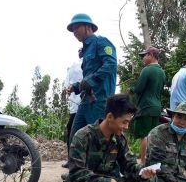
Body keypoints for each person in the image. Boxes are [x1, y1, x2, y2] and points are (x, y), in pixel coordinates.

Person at [61, 94, 158, 182]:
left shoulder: (119, 139)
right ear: (110, 117)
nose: (126, 127)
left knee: (149, 180)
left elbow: (129, 165)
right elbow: (76, 173)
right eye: (124, 122)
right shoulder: (83, 136)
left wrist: (142, 172)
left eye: (128, 122)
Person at [66, 13, 117, 147]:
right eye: (72, 29)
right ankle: (77, 167)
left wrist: (91, 80)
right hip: (86, 100)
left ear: (88, 27)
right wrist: (76, 87)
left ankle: (107, 166)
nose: (74, 31)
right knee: (75, 136)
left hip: (100, 100)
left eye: (77, 27)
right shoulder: (86, 50)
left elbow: (110, 64)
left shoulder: (101, 42)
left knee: (98, 138)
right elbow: (87, 78)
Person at [129, 46, 166, 165]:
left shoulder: (147, 70)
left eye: (144, 55)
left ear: (151, 55)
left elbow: (139, 89)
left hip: (145, 107)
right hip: (156, 108)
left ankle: (143, 161)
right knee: (152, 135)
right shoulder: (162, 72)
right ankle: (151, 161)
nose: (143, 58)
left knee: (144, 135)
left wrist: (131, 89)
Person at [62, 49, 83, 168]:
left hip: (79, 104)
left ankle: (73, 160)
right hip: (78, 104)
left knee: (72, 130)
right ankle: (72, 160)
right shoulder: (76, 66)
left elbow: (67, 85)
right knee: (72, 129)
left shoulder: (75, 66)